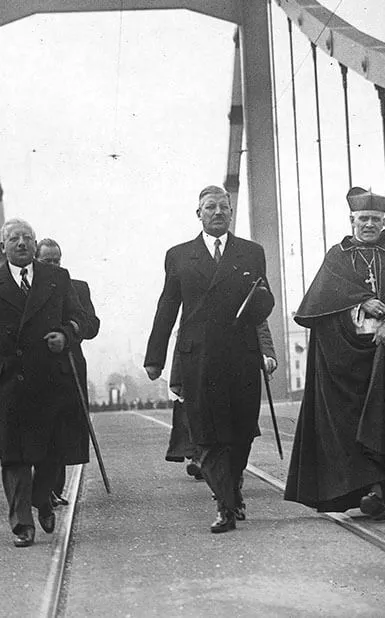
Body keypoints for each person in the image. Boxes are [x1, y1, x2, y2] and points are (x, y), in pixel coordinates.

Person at [285, 187, 385, 521]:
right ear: (351, 220)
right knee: (349, 427)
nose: (369, 225)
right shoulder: (337, 255)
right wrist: (359, 301)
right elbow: (318, 304)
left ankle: (380, 493)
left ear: (383, 221)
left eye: (375, 219)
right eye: (363, 219)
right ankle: (365, 491)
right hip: (343, 359)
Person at [144, 185, 275, 534]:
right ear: (198, 213)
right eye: (210, 207)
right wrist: (154, 356)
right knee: (208, 434)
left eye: (223, 207)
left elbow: (263, 301)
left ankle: (232, 491)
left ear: (231, 213)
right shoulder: (179, 255)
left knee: (243, 430)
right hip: (198, 356)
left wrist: (262, 308)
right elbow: (168, 304)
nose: (217, 212)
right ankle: (225, 504)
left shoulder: (251, 252)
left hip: (241, 354)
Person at [0, 218, 86, 547]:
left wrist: (66, 335)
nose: (21, 243)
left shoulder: (57, 279)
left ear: (35, 245)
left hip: (50, 381)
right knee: (14, 457)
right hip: (7, 384)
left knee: (51, 453)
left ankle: (43, 497)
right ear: (2, 247)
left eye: (27, 238)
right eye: (14, 239)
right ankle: (22, 525)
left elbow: (82, 319)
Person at [165, 319, 278, 484]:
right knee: (206, 420)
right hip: (205, 365)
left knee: (241, 426)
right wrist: (178, 378)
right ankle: (206, 463)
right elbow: (186, 333)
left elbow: (259, 322)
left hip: (241, 365)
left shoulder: (246, 292)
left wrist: (268, 355)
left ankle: (230, 470)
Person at [35, 238, 101, 507]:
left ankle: (55, 487)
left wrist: (72, 328)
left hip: (69, 365)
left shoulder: (77, 287)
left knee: (63, 427)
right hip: (37, 366)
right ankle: (44, 487)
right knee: (41, 428)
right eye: (46, 261)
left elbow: (92, 325)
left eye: (57, 260)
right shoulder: (28, 289)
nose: (53, 265)